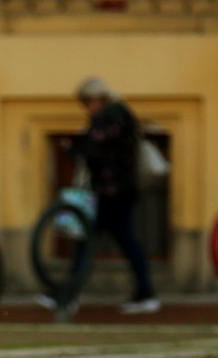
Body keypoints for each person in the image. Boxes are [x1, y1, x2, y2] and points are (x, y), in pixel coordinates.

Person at [74, 76, 159, 315]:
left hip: (112, 191)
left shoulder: (110, 118)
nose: (86, 107)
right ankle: (145, 293)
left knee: (87, 239)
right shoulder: (119, 114)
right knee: (123, 241)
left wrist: (75, 150)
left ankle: (67, 293)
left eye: (87, 102)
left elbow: (94, 147)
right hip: (119, 189)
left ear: (97, 99)